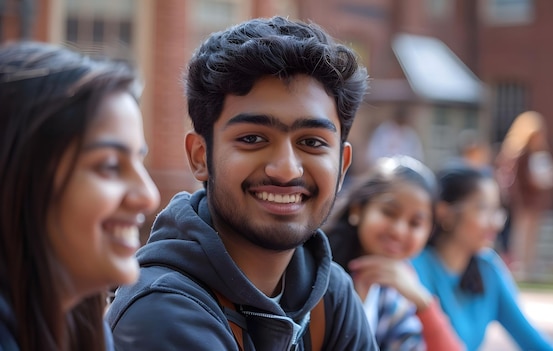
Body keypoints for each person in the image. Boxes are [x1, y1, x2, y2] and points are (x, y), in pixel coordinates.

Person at [106, 16, 376, 350]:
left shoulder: (329, 296)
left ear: (342, 166)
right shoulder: (160, 312)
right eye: (252, 138)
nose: (286, 170)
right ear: (200, 156)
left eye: (312, 142)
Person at [0, 41, 160, 351]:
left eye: (139, 161)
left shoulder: (84, 329)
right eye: (110, 166)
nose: (148, 196)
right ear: (18, 178)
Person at [411, 167, 553, 351]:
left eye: (496, 210)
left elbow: (534, 343)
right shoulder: (416, 267)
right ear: (445, 212)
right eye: (483, 208)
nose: (495, 223)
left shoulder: (488, 269)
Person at [325, 155, 463, 351]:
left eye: (415, 223)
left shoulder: (397, 286)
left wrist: (422, 302)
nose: (399, 231)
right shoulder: (320, 272)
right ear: (358, 209)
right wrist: (358, 303)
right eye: (389, 212)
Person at [494, 111, 553, 280]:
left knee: (532, 234)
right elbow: (514, 179)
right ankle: (519, 265)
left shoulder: (538, 153)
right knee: (521, 234)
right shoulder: (519, 153)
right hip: (523, 201)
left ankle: (530, 265)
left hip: (534, 200)